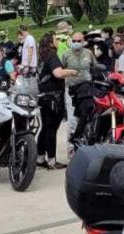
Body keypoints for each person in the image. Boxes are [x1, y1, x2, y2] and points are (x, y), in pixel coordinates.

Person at [36, 33, 75, 170]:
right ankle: (52, 161)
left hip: (43, 96)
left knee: (45, 127)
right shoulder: (52, 56)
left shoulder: (41, 57)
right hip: (53, 97)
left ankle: (40, 157)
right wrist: (71, 71)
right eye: (55, 39)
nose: (58, 41)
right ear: (51, 43)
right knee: (52, 129)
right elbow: (58, 73)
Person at [61, 33, 95, 147]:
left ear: (83, 41)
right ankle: (71, 149)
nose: (76, 43)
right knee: (72, 121)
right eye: (74, 41)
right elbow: (60, 71)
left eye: (78, 41)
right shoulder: (66, 55)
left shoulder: (88, 53)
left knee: (87, 115)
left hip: (86, 89)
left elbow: (95, 66)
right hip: (71, 90)